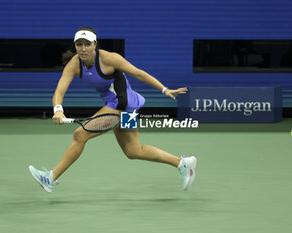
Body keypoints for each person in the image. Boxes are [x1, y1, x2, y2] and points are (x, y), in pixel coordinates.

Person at [28, 26, 197, 193]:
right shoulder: (74, 64)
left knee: (80, 134)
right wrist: (58, 109)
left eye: (87, 44)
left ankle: (51, 178)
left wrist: (164, 89)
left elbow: (138, 73)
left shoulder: (109, 59)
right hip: (123, 107)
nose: (83, 48)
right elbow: (59, 90)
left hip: (122, 104)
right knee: (133, 150)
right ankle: (182, 163)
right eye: (79, 44)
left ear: (95, 44)